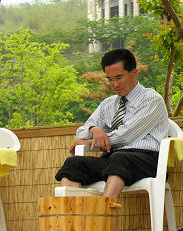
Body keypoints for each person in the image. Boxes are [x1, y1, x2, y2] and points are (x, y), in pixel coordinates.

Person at [55, 48, 168, 197]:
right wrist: (94, 129)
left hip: (147, 160)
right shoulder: (108, 104)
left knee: (119, 158)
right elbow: (81, 132)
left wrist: (92, 142)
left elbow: (125, 137)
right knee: (74, 163)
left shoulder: (152, 100)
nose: (114, 84)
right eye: (110, 79)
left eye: (119, 78)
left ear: (134, 73)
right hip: (114, 159)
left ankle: (105, 216)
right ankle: (69, 218)